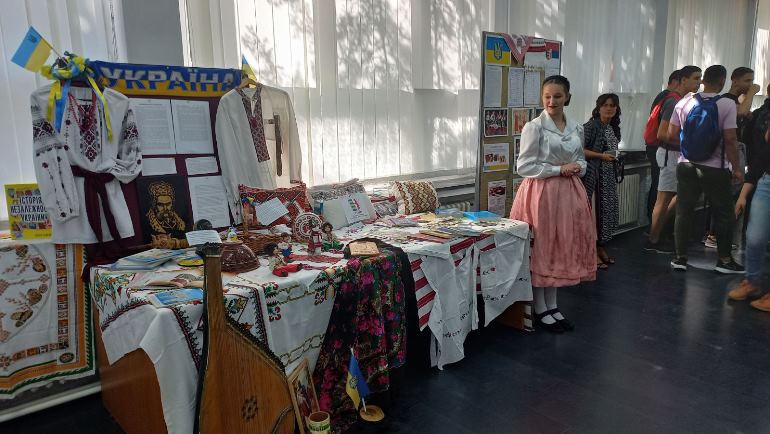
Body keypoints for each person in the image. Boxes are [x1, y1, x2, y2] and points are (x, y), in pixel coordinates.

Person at [510, 75, 596, 333]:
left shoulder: (576, 127)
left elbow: (581, 160)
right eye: (547, 96)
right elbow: (524, 166)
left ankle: (553, 305)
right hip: (542, 193)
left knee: (561, 246)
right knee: (544, 246)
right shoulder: (534, 127)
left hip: (568, 193)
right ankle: (540, 308)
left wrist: (577, 167)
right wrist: (559, 169)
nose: (552, 101)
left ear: (567, 97)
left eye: (557, 96)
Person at [668, 65, 744, 273]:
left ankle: (679, 258)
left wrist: (691, 147)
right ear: (722, 81)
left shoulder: (684, 102)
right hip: (715, 169)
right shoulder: (727, 104)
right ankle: (724, 260)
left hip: (686, 164)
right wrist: (737, 168)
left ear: (703, 81)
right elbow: (730, 139)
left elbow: (671, 134)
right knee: (723, 213)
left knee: (684, 211)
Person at [645, 66, 702, 253]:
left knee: (678, 195)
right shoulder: (673, 102)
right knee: (663, 199)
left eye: (700, 78)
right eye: (695, 78)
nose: (699, 82)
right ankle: (653, 239)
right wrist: (690, 141)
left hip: (677, 154)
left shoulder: (682, 101)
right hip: (670, 154)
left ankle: (657, 233)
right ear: (683, 80)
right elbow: (662, 134)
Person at [728, 115, 770, 310]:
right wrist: (743, 195)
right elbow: (762, 157)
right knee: (754, 237)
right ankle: (752, 283)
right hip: (766, 182)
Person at [582, 93, 621, 268]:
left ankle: (601, 248)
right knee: (594, 215)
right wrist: (601, 156)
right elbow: (580, 150)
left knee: (606, 215)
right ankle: (591, 253)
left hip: (608, 177)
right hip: (594, 178)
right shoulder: (591, 126)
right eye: (605, 105)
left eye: (613, 105)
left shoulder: (612, 127)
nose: (609, 108)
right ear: (598, 108)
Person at [646, 70, 682, 220]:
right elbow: (663, 131)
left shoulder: (663, 97)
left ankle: (654, 223)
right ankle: (655, 224)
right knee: (660, 189)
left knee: (658, 187)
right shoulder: (671, 100)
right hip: (661, 147)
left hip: (655, 146)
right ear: (676, 81)